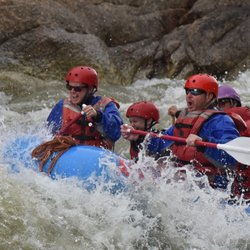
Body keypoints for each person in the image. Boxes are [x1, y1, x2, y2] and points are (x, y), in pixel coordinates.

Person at [130, 74, 240, 189]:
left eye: (195, 91)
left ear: (209, 96)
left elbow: (231, 158)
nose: (189, 95)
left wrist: (204, 144)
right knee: (144, 171)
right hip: (184, 174)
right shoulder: (186, 117)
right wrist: (138, 138)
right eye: (187, 91)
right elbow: (161, 143)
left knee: (178, 178)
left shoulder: (221, 121)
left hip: (212, 184)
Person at [47, 65, 123, 150]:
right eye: (69, 87)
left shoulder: (106, 105)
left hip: (97, 153)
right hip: (69, 152)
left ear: (90, 89)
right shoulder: (62, 106)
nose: (72, 92)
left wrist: (98, 116)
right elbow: (48, 134)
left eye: (78, 88)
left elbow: (116, 133)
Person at [218, 84, 250, 201]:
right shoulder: (214, 124)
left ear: (234, 103)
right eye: (215, 104)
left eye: (222, 102)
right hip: (235, 189)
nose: (218, 107)